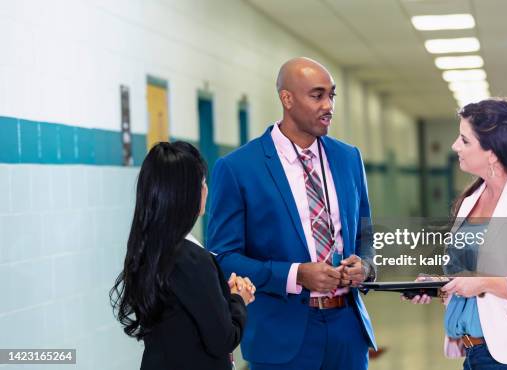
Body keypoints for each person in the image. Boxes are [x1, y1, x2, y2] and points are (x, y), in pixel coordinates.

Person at [207, 57, 376, 370]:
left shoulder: (348, 158)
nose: (329, 105)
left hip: (347, 333)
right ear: (287, 99)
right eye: (317, 95)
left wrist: (364, 266)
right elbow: (224, 257)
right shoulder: (238, 168)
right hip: (280, 338)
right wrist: (296, 274)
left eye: (331, 95)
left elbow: (367, 235)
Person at [407, 99, 507, 369]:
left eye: (464, 140)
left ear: (492, 152)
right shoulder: (471, 199)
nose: (454, 146)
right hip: (476, 352)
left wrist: (484, 282)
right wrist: (438, 285)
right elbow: (469, 274)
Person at [109, 141, 255, 370]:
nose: (206, 189)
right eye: (202, 183)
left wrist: (222, 295)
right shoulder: (192, 259)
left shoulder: (151, 249)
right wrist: (239, 299)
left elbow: (189, 315)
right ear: (186, 195)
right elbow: (224, 338)